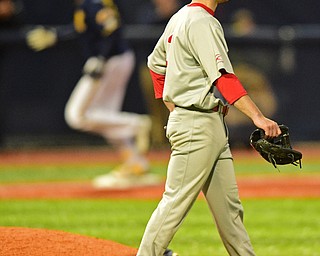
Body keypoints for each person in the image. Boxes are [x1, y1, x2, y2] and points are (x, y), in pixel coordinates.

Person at [137, 1, 281, 255]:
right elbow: (223, 78)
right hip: (196, 124)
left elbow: (154, 64)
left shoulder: (180, 17)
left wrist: (170, 105)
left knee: (230, 212)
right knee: (176, 201)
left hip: (207, 122)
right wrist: (258, 117)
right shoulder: (202, 21)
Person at [26, 0, 160, 189]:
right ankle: (136, 163)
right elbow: (84, 29)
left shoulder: (95, 2)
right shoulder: (88, 5)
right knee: (106, 117)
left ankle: (137, 124)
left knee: (76, 115)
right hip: (116, 59)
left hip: (110, 61)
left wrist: (100, 57)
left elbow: (110, 30)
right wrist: (56, 35)